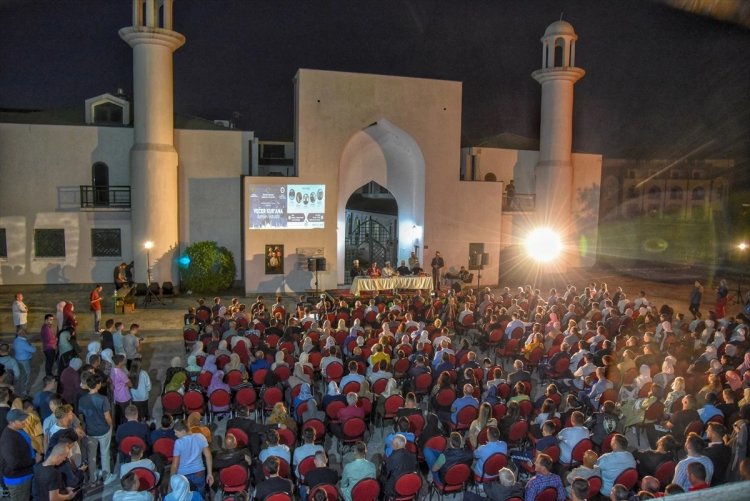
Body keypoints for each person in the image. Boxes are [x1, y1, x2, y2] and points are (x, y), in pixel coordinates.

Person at [78, 374, 115, 486]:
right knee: (104, 453)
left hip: (90, 431)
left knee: (91, 456)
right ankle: (106, 476)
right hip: (103, 430)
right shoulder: (103, 399)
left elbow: (81, 416)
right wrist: (111, 426)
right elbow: (107, 417)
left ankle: (92, 479)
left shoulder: (82, 399)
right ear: (98, 385)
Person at [0, 408, 37, 501]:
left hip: (25, 474)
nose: (24, 421)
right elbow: (14, 463)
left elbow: (25, 446)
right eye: (20, 420)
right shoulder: (8, 439)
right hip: (18, 480)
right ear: (11, 422)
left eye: (24, 418)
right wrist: (34, 460)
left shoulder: (18, 430)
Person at [171, 419, 213, 493]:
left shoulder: (178, 443)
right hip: (199, 473)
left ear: (183, 431)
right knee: (199, 496)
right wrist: (209, 474)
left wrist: (171, 481)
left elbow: (175, 465)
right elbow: (208, 456)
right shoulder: (201, 437)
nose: (175, 434)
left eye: (176, 432)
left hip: (183, 475)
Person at [12, 329, 35, 396]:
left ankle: (19, 389)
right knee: (26, 376)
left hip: (18, 359)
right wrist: (32, 345)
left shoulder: (15, 340)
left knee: (21, 375)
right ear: (24, 334)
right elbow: (33, 350)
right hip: (24, 361)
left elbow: (14, 347)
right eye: (26, 333)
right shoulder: (23, 342)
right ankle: (23, 392)